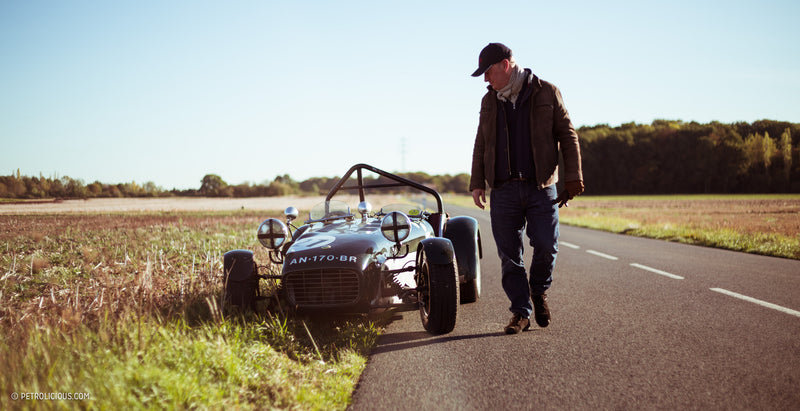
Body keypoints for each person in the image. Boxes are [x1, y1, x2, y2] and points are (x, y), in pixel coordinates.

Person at [469, 42, 584, 334]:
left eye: (488, 72)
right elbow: (482, 141)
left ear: (505, 65)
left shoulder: (547, 92)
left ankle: (538, 290)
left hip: (541, 187)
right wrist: (477, 182)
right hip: (503, 190)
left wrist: (573, 177)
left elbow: (568, 135)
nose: (485, 79)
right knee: (509, 255)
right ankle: (520, 311)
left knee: (546, 245)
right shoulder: (489, 101)